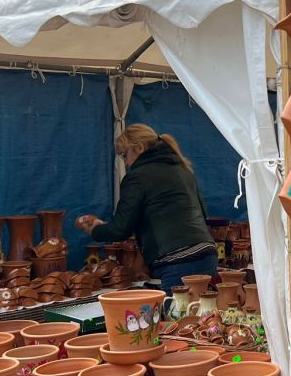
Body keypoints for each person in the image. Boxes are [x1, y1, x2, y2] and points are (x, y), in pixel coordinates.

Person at [77, 124, 216, 292]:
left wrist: (95, 229)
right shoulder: (184, 171)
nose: (126, 163)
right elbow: (202, 215)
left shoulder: (137, 177)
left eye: (125, 155)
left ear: (139, 148)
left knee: (178, 309)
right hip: (206, 254)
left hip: (177, 261)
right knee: (202, 308)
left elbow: (121, 229)